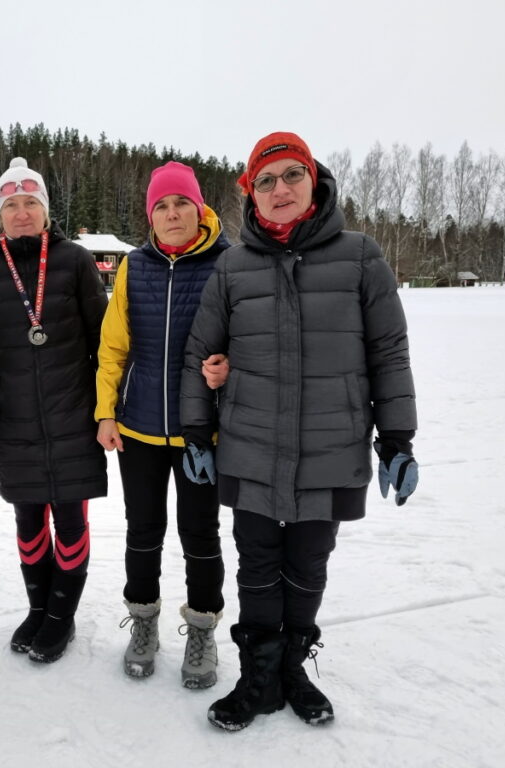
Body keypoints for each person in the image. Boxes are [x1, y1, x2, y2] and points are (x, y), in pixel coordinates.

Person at [181, 131, 419, 731]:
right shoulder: (232, 266)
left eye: (292, 175)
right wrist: (195, 432)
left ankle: (292, 667)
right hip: (251, 444)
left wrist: (397, 438)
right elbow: (200, 354)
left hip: (330, 447)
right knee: (257, 563)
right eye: (266, 180)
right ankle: (258, 675)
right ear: (250, 196)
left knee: (309, 565)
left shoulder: (361, 256)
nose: (280, 188)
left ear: (314, 183)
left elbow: (389, 352)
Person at [0, 158, 109, 663]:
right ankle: (38, 606)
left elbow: (105, 344)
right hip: (16, 419)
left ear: (46, 211)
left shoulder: (75, 260)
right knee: (28, 520)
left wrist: (108, 410)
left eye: (31, 204)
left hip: (75, 414)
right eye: (11, 205)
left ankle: (61, 616)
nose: (21, 213)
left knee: (70, 518)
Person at [96, 161, 231, 687]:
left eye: (181, 203)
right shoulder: (136, 265)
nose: (172, 214)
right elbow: (113, 347)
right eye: (161, 206)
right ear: (150, 215)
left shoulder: (229, 261)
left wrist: (230, 368)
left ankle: (202, 630)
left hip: (204, 431)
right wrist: (106, 411)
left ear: (198, 208)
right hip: (140, 428)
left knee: (201, 533)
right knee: (143, 530)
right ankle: (144, 623)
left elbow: (247, 337)